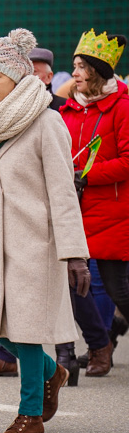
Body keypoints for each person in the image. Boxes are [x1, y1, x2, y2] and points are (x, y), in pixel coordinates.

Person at [0, 28, 90, 433]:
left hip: (36, 244)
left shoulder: (47, 121)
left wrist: (75, 253)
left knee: (28, 330)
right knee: (1, 332)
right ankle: (54, 372)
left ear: (16, 76)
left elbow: (63, 192)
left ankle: (30, 416)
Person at [61, 29, 129, 378]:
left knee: (120, 290)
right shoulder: (70, 109)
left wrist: (88, 175)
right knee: (76, 286)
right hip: (76, 211)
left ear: (97, 72)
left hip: (114, 214)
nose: (74, 73)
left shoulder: (122, 107)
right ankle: (98, 346)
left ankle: (101, 345)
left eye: (80, 67)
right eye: (74, 66)